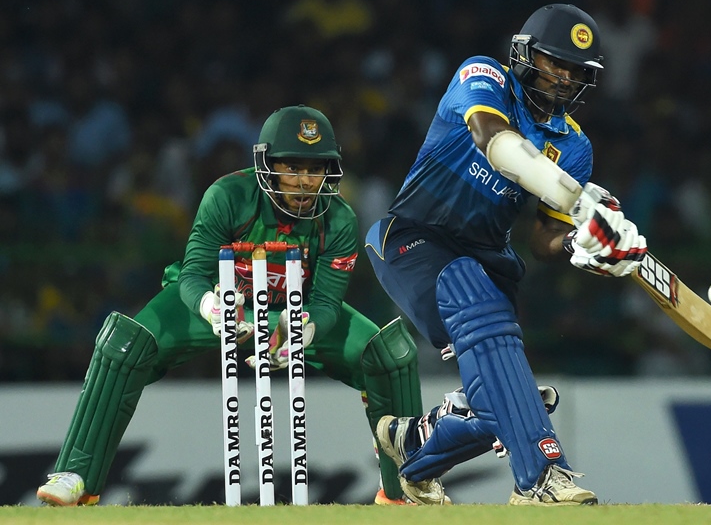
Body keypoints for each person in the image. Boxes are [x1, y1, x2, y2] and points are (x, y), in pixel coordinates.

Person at [37, 105, 423, 506]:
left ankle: (407, 488)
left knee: (390, 355)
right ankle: (77, 475)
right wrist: (210, 307)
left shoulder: (339, 219)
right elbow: (192, 275)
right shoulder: (227, 196)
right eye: (293, 168)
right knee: (122, 346)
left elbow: (326, 301)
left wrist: (306, 328)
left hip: (294, 310)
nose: (306, 182)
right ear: (266, 166)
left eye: (316, 169)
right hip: (219, 303)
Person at [364, 4, 648, 505]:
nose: (562, 78)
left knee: (503, 395)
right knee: (478, 310)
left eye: (575, 71)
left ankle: (415, 450)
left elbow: (543, 240)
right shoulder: (484, 75)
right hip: (413, 238)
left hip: (490, 263)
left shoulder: (575, 146)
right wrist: (581, 203)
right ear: (524, 54)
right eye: (553, 62)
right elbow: (495, 143)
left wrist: (584, 244)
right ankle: (541, 476)